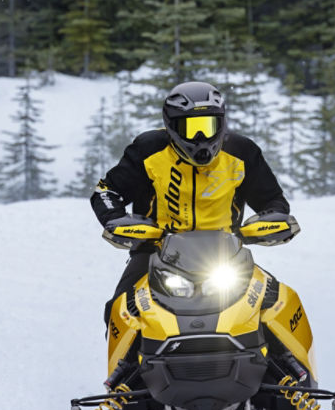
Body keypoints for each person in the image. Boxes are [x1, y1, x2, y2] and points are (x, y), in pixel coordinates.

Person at [90, 81, 298, 325]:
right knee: (120, 311)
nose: (201, 137)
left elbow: (272, 199)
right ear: (171, 126)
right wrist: (116, 220)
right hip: (155, 251)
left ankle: (290, 363)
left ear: (221, 123)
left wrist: (269, 221)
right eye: (190, 128)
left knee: (278, 306)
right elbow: (106, 190)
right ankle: (125, 365)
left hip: (226, 254)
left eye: (208, 125)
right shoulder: (148, 149)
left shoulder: (242, 152)